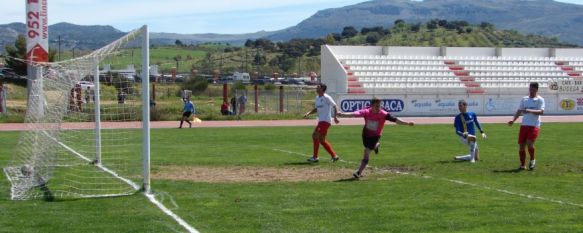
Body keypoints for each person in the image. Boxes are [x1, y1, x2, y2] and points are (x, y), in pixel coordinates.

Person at [338, 97, 414, 179]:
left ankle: (359, 172)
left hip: (375, 136)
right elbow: (354, 114)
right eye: (376, 106)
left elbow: (396, 120)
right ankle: (375, 146)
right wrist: (342, 114)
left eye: (379, 106)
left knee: (366, 151)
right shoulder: (366, 112)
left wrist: (407, 123)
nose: (378, 108)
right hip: (366, 134)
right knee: (367, 148)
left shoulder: (384, 114)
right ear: (372, 106)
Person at [508, 82, 545, 171]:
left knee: (529, 143)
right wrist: (513, 120)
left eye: (532, 89)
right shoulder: (524, 99)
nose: (531, 91)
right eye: (530, 89)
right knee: (521, 145)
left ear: (536, 89)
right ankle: (522, 165)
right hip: (524, 125)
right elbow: (519, 111)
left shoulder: (540, 100)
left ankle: (532, 160)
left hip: (534, 125)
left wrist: (529, 110)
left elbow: (541, 112)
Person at [303, 83, 340, 163]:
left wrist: (335, 117)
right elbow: (316, 109)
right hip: (321, 121)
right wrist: (309, 113)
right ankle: (334, 156)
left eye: (318, 87)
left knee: (314, 135)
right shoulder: (317, 98)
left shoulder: (327, 97)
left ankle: (315, 157)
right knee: (322, 140)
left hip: (325, 121)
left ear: (322, 89)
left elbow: (335, 106)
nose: (316, 88)